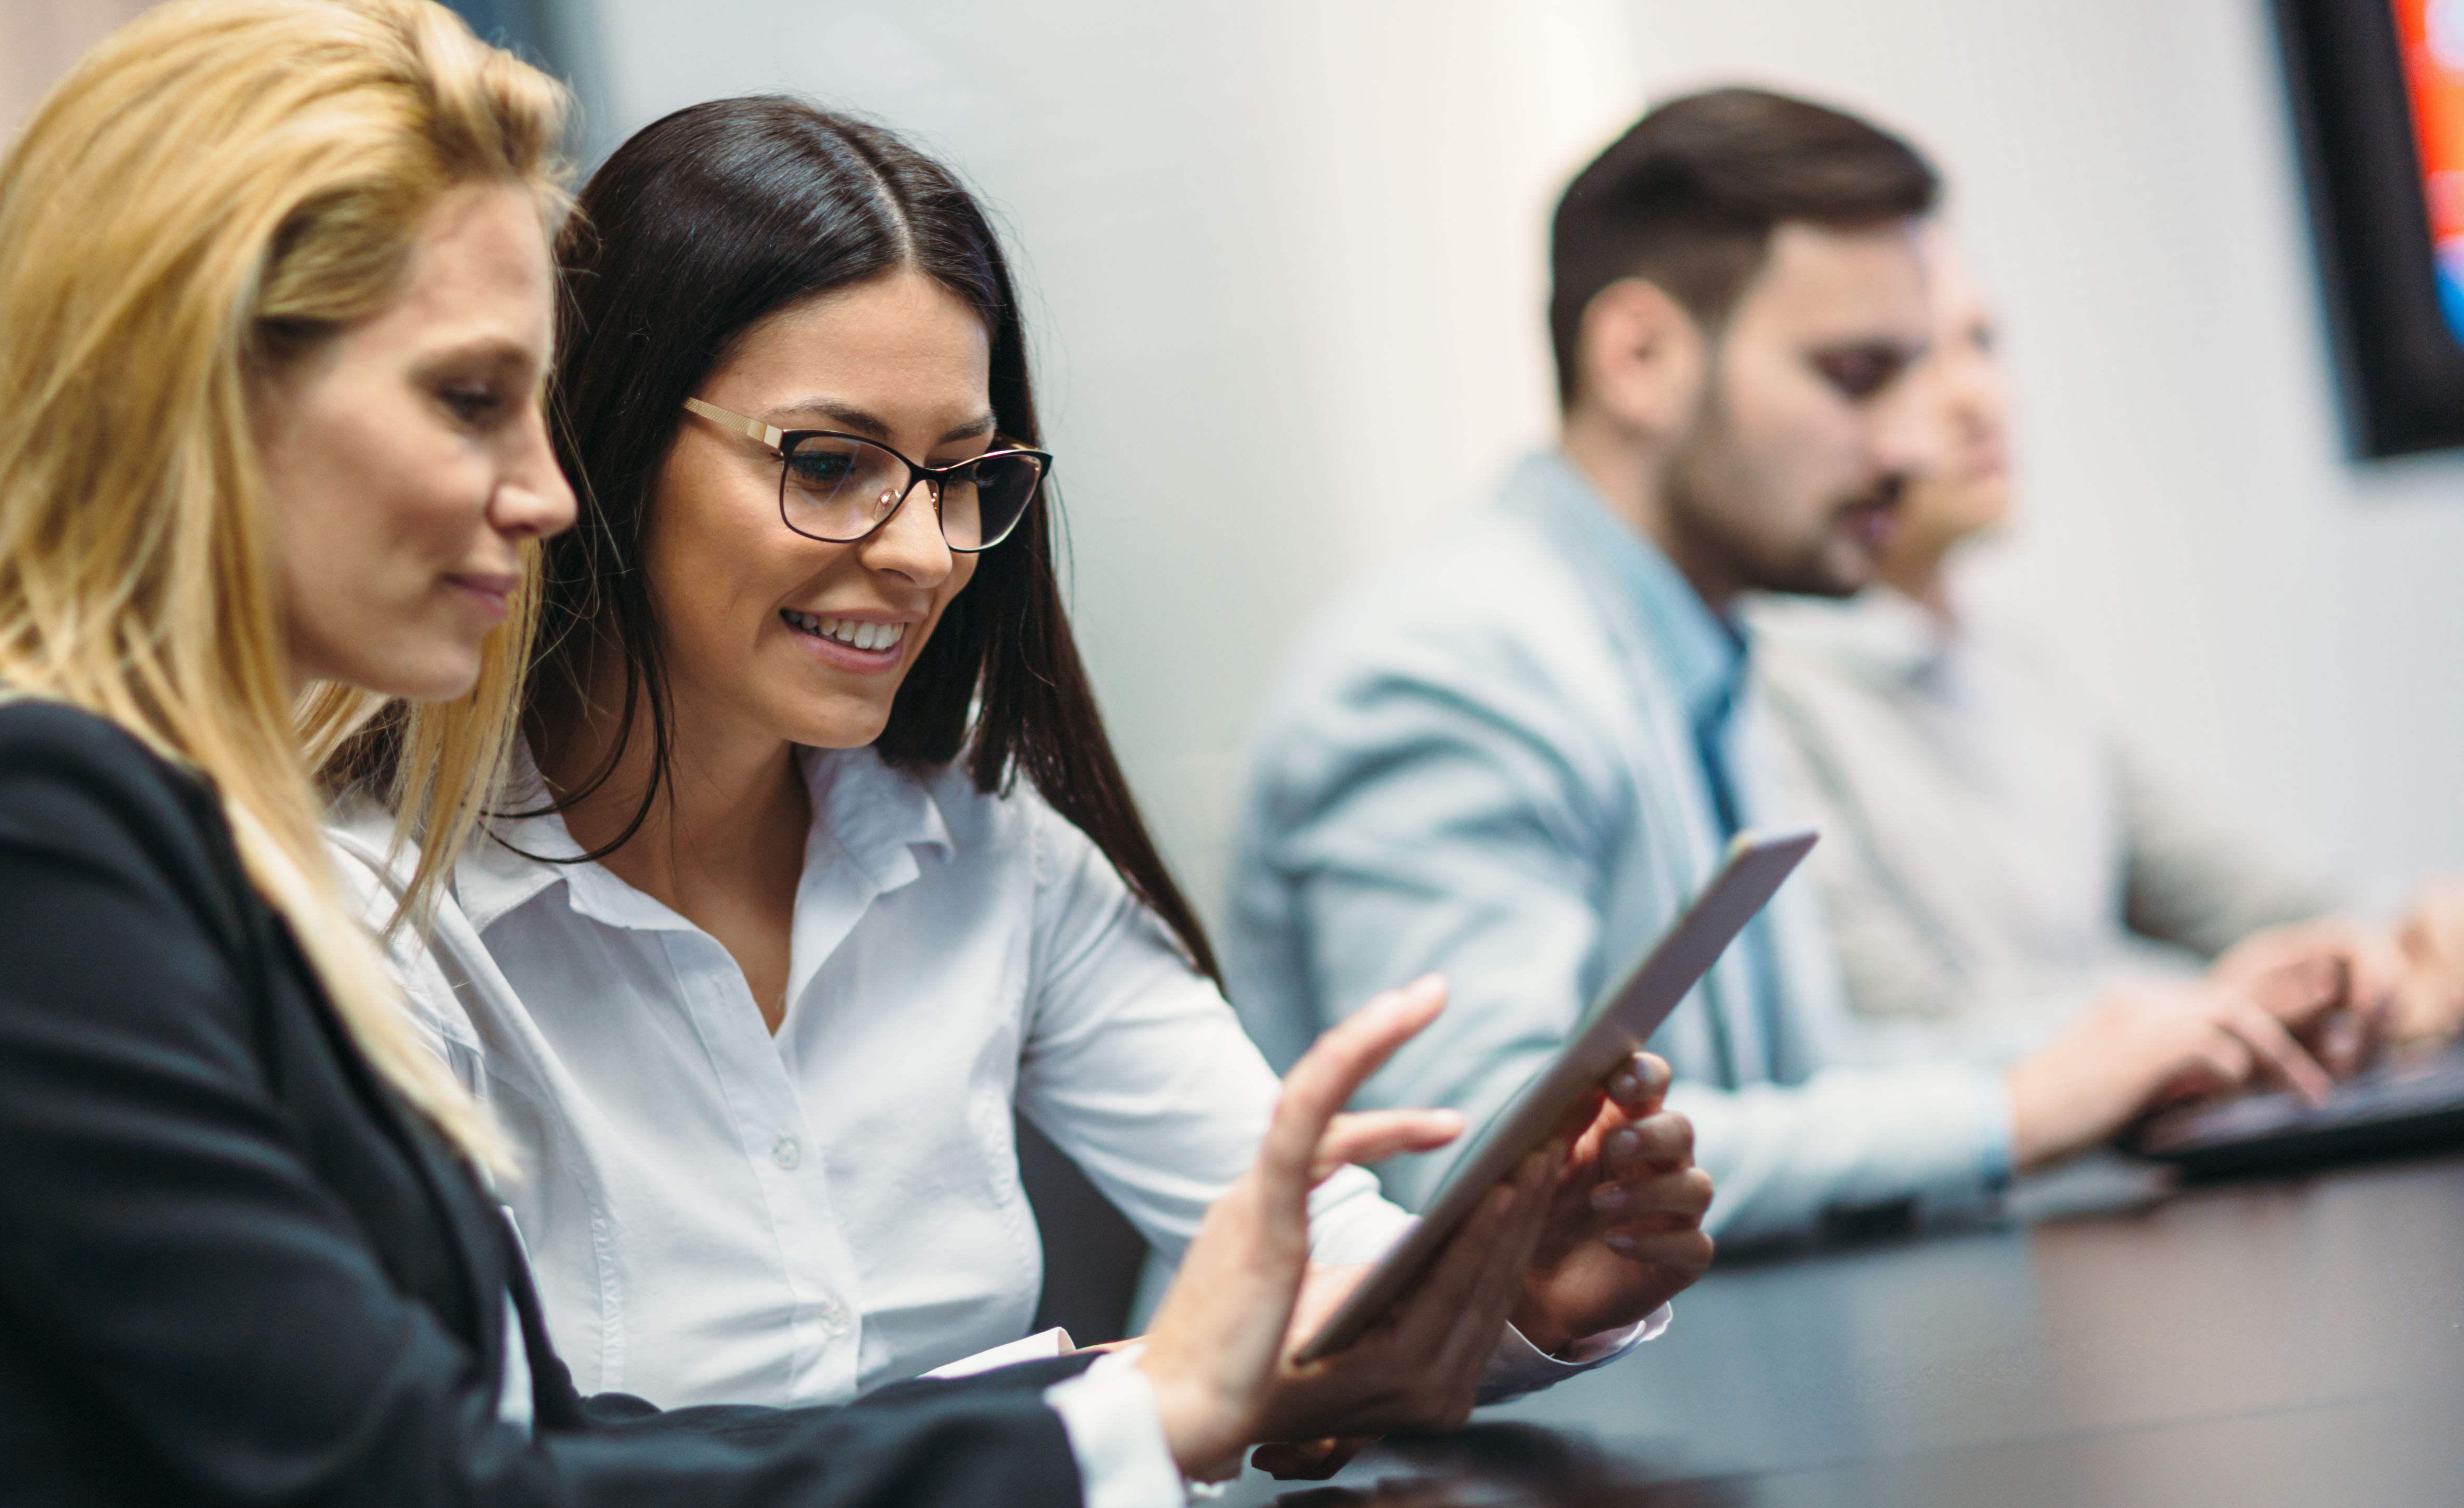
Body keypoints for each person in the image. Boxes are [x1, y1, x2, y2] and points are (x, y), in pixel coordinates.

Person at [0, 0, 1603, 1508]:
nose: (546, 493)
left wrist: (1169, 1384)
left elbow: (541, 1459)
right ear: (193, 388)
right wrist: (1132, 1420)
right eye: (471, 402)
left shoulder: (159, 843)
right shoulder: (18, 839)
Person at [329, 96, 1713, 1422]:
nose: (926, 554)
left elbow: (1319, 1270)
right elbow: (499, 1478)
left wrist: (1516, 1295)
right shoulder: (378, 921)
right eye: (829, 464)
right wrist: (1120, 1408)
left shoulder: (992, 855)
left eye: (963, 475)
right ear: (603, 441)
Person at [1228, 89, 2340, 1250]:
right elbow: (1494, 1167)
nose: (1915, 446)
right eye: (1857, 376)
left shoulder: (1692, 647)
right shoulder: (1459, 667)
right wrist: (2010, 1113)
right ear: (1642, 358)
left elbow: (1793, 1081)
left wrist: (2160, 1036)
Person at [1753, 224, 2464, 1057]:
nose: (1976, 396)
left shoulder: (2022, 672)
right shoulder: (1767, 695)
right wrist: (2230, 1013)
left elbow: (2274, 898)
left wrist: (2409, 936)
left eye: (1982, 344)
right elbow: (1901, 1031)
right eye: (1907, 363)